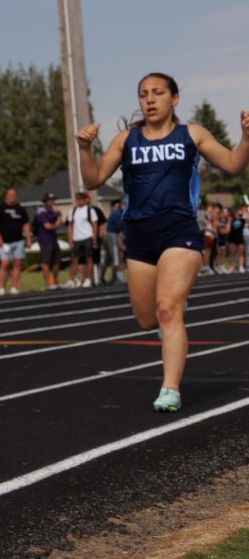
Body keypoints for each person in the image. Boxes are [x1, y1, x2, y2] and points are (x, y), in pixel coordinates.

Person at [76, 72, 248, 412]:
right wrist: (84, 148)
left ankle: (170, 389)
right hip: (139, 234)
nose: (150, 99)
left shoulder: (192, 134)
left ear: (174, 98)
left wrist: (246, 136)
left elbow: (232, 164)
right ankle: (172, 328)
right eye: (143, 94)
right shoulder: (127, 140)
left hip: (179, 230)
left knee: (168, 309)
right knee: (147, 319)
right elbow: (94, 179)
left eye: (157, 93)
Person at [0, 187, 32, 295]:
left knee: (17, 264)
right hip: (5, 242)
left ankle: (15, 287)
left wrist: (28, 239)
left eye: (14, 195)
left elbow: (26, 225)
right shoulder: (0, 208)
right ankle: (1, 287)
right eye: (10, 195)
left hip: (18, 241)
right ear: (6, 195)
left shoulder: (21, 209)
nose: (12, 197)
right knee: (4, 264)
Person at [65, 191, 100, 288]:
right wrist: (70, 238)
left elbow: (95, 224)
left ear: (85, 200)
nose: (78, 201)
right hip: (77, 239)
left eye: (80, 199)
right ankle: (71, 280)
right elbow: (70, 226)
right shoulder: (73, 210)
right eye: (77, 199)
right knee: (74, 259)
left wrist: (94, 238)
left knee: (89, 258)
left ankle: (88, 279)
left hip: (87, 237)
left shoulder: (90, 210)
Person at [34, 193, 63, 289]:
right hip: (45, 239)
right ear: (45, 201)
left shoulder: (53, 212)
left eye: (53, 200)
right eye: (50, 200)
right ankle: (48, 283)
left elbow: (59, 223)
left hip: (54, 239)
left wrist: (58, 216)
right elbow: (47, 226)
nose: (52, 202)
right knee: (46, 261)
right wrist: (55, 224)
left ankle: (55, 281)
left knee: (57, 261)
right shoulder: (42, 212)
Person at [103, 199, 127, 284]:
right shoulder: (118, 214)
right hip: (112, 235)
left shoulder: (120, 213)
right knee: (116, 257)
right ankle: (117, 277)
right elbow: (120, 229)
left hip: (114, 235)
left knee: (111, 258)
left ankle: (112, 277)